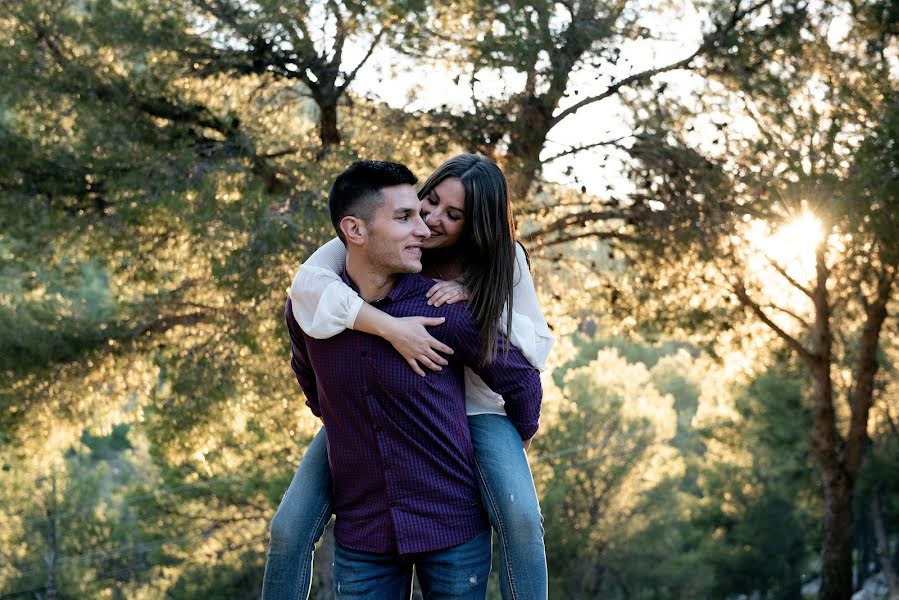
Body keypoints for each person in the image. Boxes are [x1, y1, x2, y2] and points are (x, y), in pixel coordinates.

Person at [262, 155, 553, 599]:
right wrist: (384, 339)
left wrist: (474, 294)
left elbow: (525, 364)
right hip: (371, 413)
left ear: (475, 227)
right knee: (289, 526)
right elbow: (306, 288)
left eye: (452, 215)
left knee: (521, 518)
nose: (430, 222)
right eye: (427, 203)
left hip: (479, 407)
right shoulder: (357, 247)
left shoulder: (500, 263)